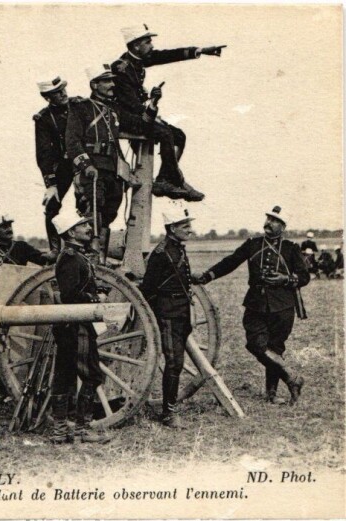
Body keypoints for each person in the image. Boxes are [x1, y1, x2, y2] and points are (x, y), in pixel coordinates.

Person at [195, 206, 308, 405]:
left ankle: (271, 393)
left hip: (283, 306)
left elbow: (304, 276)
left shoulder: (291, 248)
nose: (269, 223)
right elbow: (230, 262)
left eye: (274, 221)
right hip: (255, 303)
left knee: (275, 348)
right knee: (255, 344)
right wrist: (208, 276)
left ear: (282, 226)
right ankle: (292, 378)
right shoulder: (253, 244)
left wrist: (285, 278)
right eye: (268, 219)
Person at [111, 25, 223, 201]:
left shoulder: (137, 61)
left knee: (179, 136)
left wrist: (200, 51)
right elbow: (130, 103)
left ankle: (166, 178)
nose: (152, 46)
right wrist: (151, 110)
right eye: (148, 42)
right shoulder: (121, 67)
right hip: (125, 117)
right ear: (135, 46)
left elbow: (168, 55)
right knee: (164, 133)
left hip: (138, 114)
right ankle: (174, 180)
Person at [65, 65, 149, 262]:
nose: (113, 84)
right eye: (107, 81)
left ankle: (100, 262)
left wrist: (126, 173)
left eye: (112, 80)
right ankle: (90, 261)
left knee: (109, 215)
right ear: (94, 85)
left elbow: (121, 140)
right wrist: (86, 166)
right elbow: (72, 142)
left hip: (112, 170)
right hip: (93, 171)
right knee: (93, 214)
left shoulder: (113, 110)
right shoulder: (80, 108)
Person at [48, 211, 112, 444]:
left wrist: (97, 292)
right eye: (83, 225)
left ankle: (61, 431)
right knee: (92, 375)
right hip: (78, 326)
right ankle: (81, 430)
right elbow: (70, 295)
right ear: (71, 232)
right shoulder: (71, 259)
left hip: (71, 325)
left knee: (64, 376)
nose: (88, 227)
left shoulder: (75, 256)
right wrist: (96, 299)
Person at [139, 207, 196, 428]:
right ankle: (168, 413)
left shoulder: (177, 249)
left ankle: (169, 408)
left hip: (181, 311)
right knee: (174, 363)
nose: (190, 230)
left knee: (177, 363)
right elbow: (148, 289)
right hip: (169, 313)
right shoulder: (162, 253)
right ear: (173, 229)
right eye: (185, 226)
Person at [35, 76, 83, 253]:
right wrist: (51, 184)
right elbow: (43, 153)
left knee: (87, 202)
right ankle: (55, 249)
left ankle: (85, 247)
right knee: (52, 205)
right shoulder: (44, 118)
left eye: (63, 89)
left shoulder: (79, 105)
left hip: (84, 162)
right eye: (56, 92)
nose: (63, 94)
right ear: (47, 97)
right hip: (63, 165)